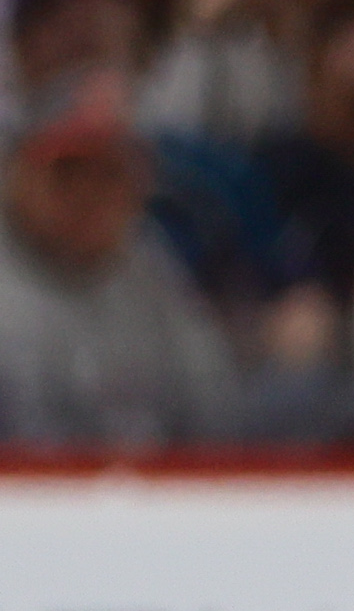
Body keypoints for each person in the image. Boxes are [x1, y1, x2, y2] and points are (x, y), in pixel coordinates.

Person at [0, 67, 257, 444]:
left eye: (109, 173)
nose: (88, 192)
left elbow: (217, 413)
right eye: (67, 172)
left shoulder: (148, 267)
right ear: (16, 176)